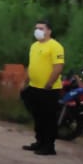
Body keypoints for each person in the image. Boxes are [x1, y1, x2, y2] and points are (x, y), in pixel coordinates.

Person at [20, 19, 65, 155]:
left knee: (49, 118)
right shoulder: (34, 46)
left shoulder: (55, 46)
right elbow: (31, 65)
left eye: (41, 28)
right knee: (38, 116)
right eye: (36, 28)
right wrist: (25, 81)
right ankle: (39, 141)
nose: (38, 31)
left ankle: (49, 146)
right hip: (34, 87)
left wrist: (50, 83)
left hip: (49, 89)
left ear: (49, 31)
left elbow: (58, 66)